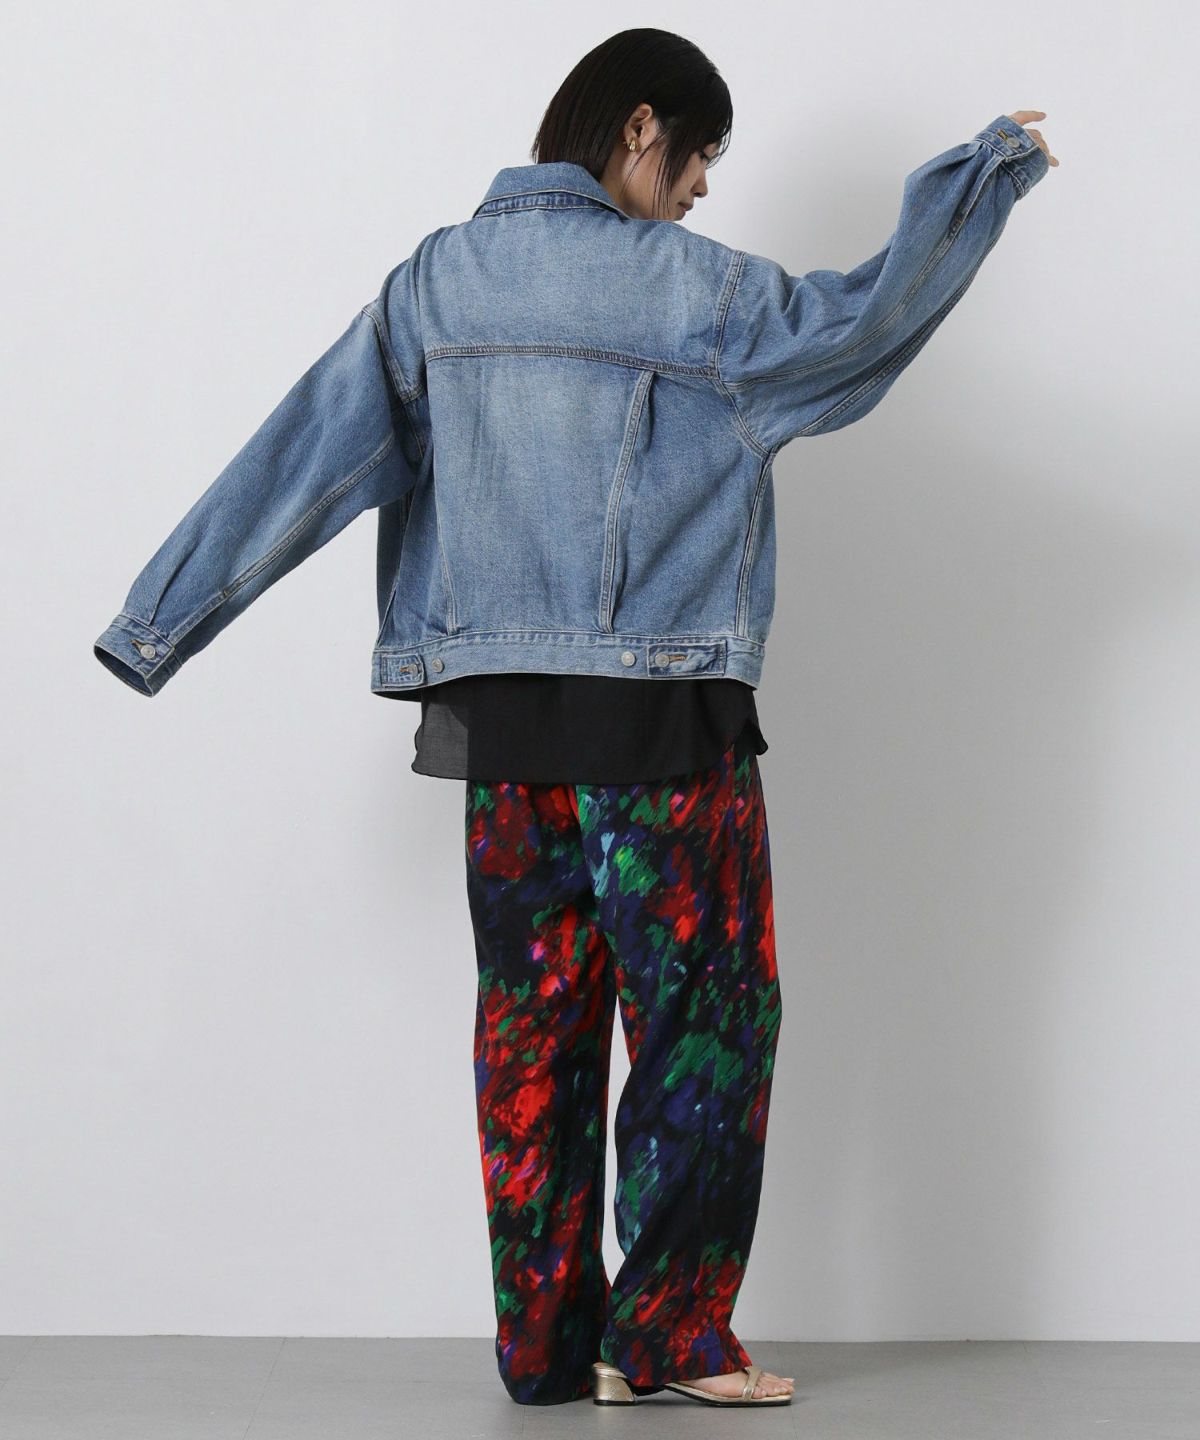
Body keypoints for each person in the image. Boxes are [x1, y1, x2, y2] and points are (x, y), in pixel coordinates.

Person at [92, 25, 1056, 1412]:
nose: (704, 190)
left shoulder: (437, 282)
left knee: (531, 1038)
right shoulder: (702, 294)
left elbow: (304, 455)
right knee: (707, 1024)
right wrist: (984, 177)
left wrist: (158, 622)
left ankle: (545, 1348)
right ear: (642, 126)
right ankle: (664, 1337)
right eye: (703, 155)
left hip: (503, 745)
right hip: (666, 736)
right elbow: (863, 323)